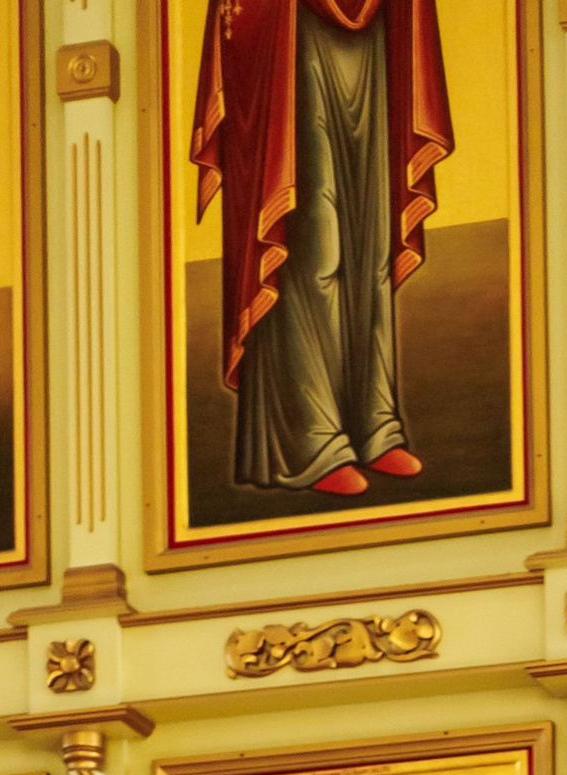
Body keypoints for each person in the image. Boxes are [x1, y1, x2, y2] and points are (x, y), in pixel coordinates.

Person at [192, 0, 451, 498]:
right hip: (290, 38)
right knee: (316, 245)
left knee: (369, 240)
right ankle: (312, 438)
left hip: (371, 37)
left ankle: (374, 424)